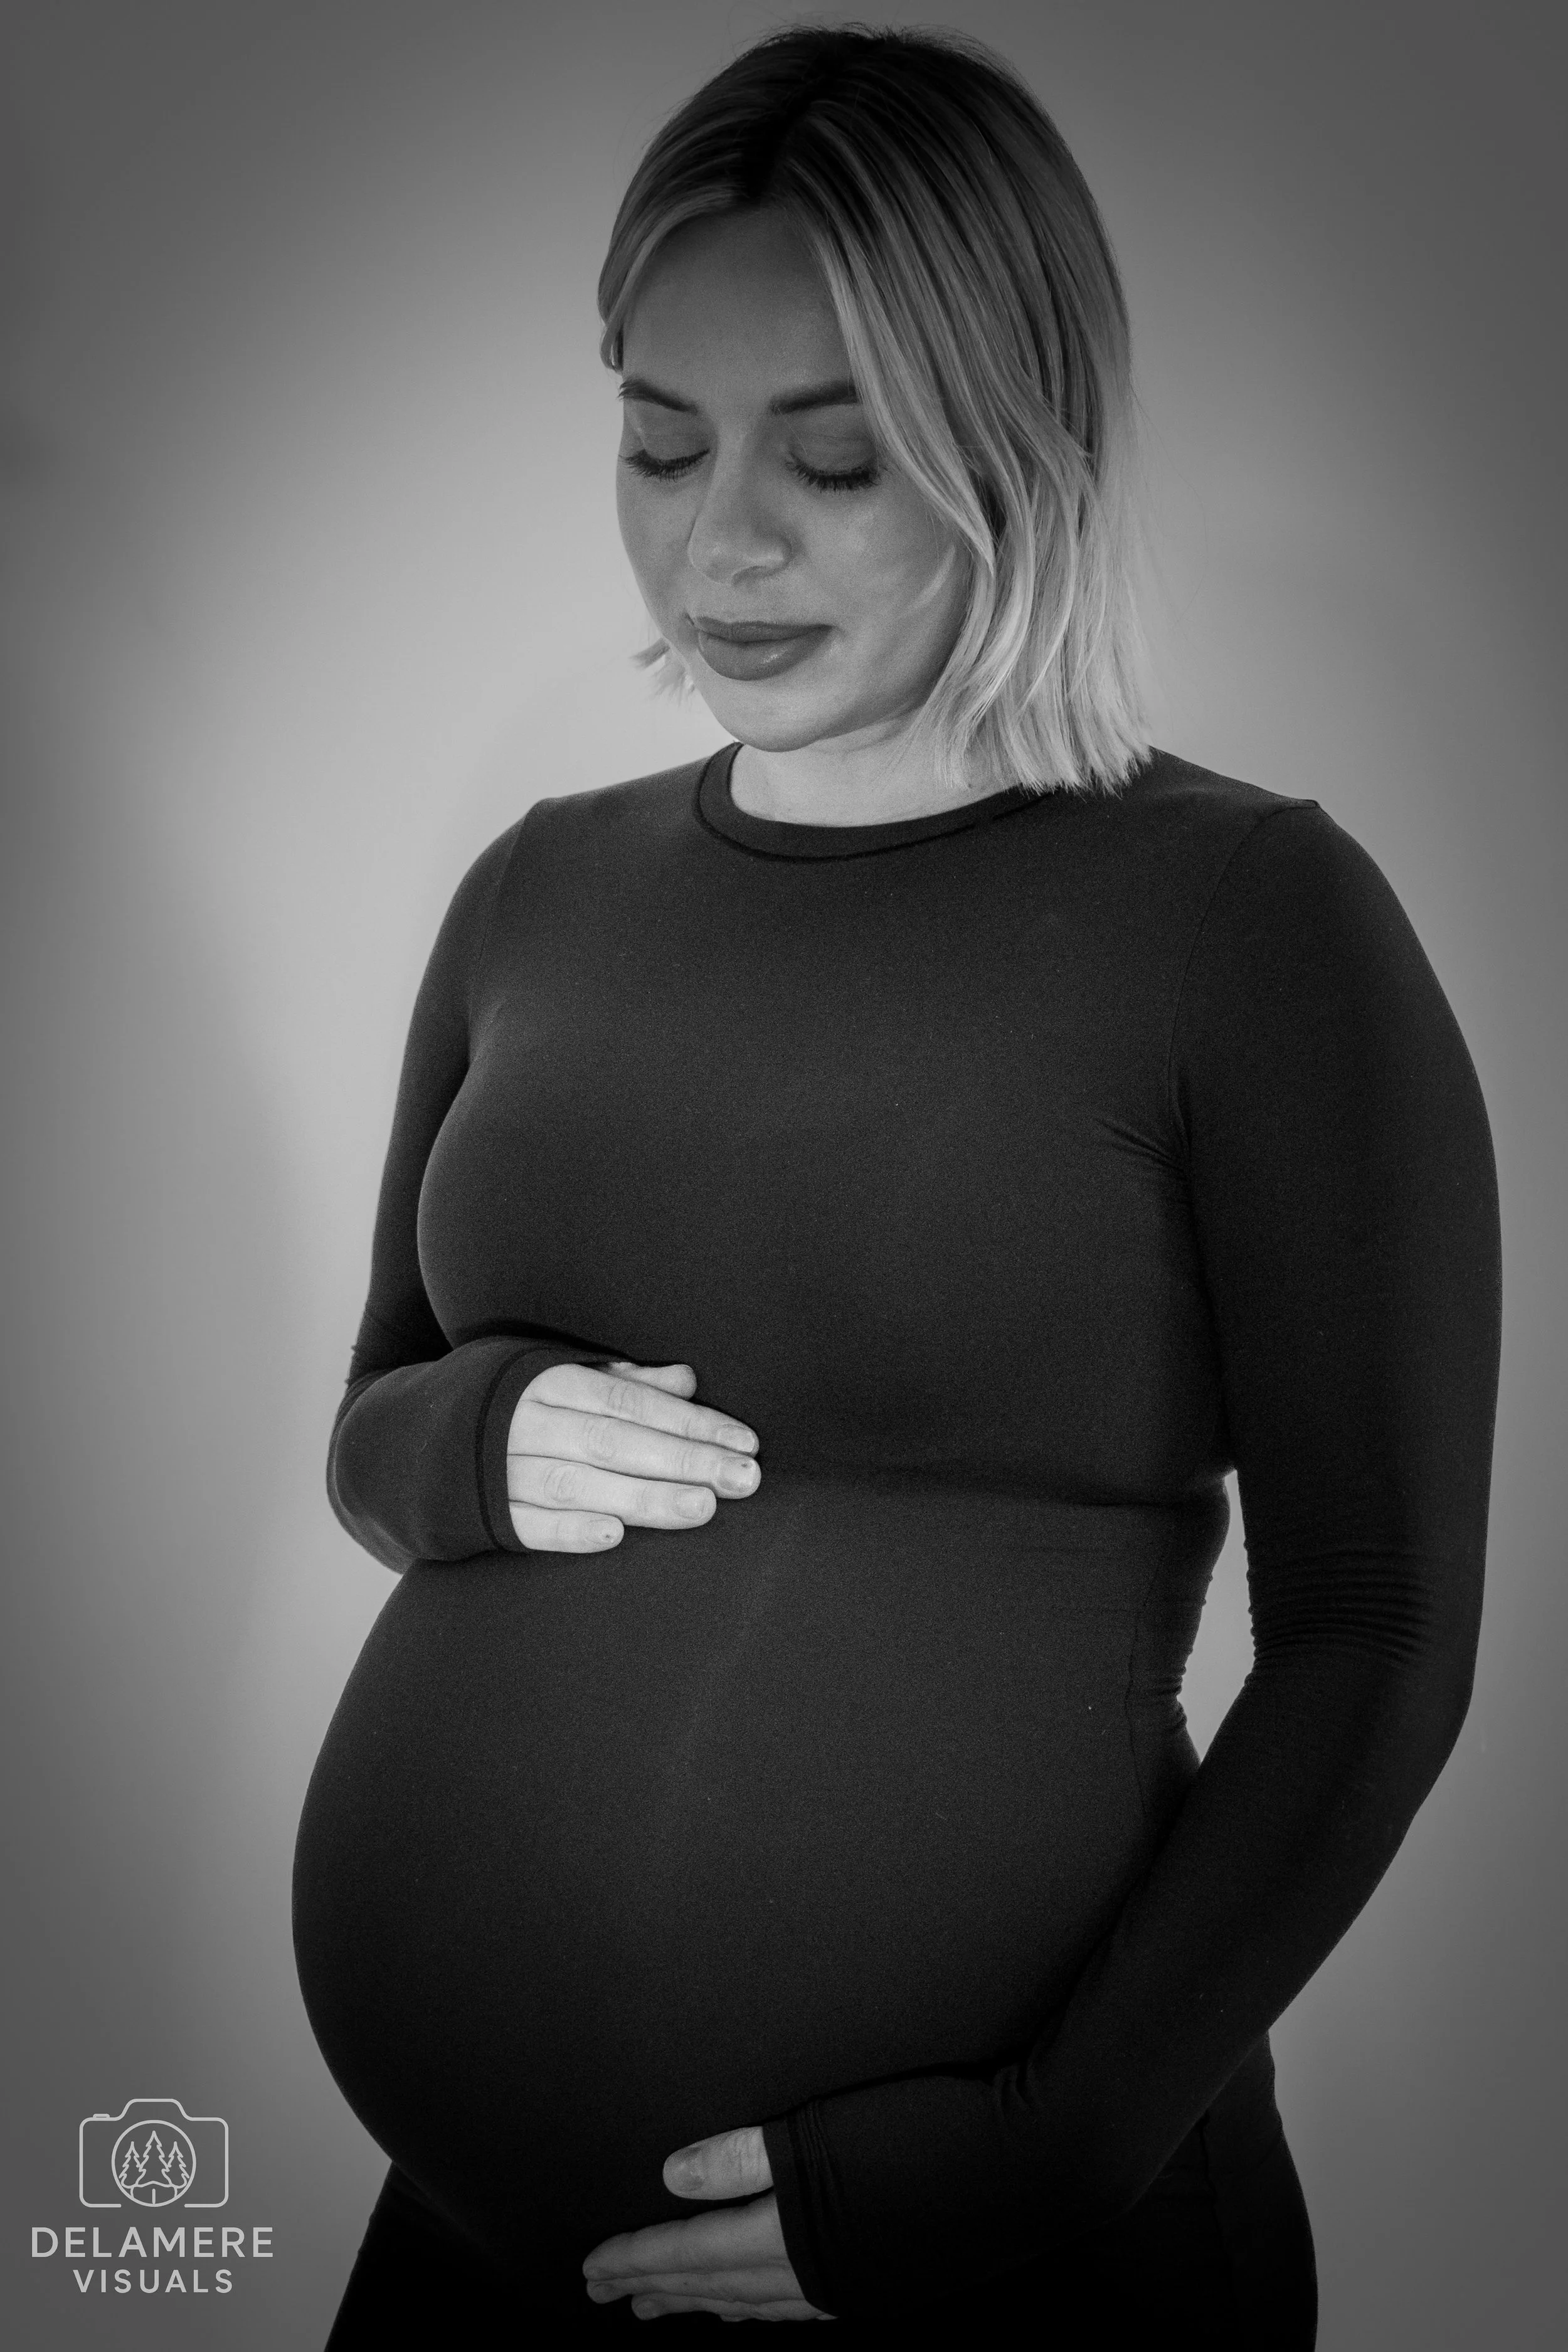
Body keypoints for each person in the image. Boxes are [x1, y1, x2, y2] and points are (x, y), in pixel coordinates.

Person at [292, 23, 1502, 2345]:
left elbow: (1374, 1638)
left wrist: (1039, 2156)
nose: (718, 540)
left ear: (1019, 443)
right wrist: (478, 1437)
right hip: (466, 2262)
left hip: (995, 2258)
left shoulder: (1247, 924)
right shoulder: (536, 893)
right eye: (659, 443)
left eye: (832, 461)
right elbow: (371, 1423)